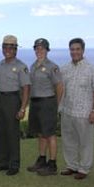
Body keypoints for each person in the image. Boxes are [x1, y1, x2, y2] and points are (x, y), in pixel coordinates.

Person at [60, 38, 94, 180]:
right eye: (72, 49)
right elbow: (61, 89)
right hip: (67, 111)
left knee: (85, 142)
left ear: (83, 50)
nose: (75, 52)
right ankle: (71, 166)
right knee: (68, 140)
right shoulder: (64, 69)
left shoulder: (92, 68)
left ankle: (84, 169)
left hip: (84, 112)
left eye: (77, 49)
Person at [0, 35, 30, 176]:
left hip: (13, 100)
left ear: (15, 49)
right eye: (5, 47)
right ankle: (3, 162)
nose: (7, 50)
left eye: (10, 47)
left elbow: (26, 88)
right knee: (0, 132)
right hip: (0, 100)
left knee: (12, 133)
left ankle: (14, 164)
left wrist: (22, 108)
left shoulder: (21, 66)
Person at [26, 38, 63, 176]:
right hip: (36, 103)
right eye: (37, 48)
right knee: (41, 133)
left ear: (47, 50)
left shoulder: (52, 67)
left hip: (48, 102)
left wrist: (56, 104)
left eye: (42, 48)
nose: (39, 51)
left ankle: (52, 165)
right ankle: (42, 160)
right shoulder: (33, 66)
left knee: (50, 134)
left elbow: (59, 86)